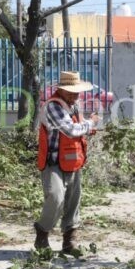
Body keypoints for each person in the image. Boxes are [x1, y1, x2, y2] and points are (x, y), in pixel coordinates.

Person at [35, 71, 100, 253]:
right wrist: (91, 123)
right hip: (53, 162)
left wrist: (87, 127)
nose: (75, 95)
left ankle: (70, 239)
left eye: (77, 92)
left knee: (73, 201)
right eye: (71, 92)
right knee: (55, 198)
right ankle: (42, 231)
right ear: (61, 90)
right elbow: (70, 130)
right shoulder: (53, 107)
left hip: (73, 160)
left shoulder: (74, 106)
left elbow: (78, 127)